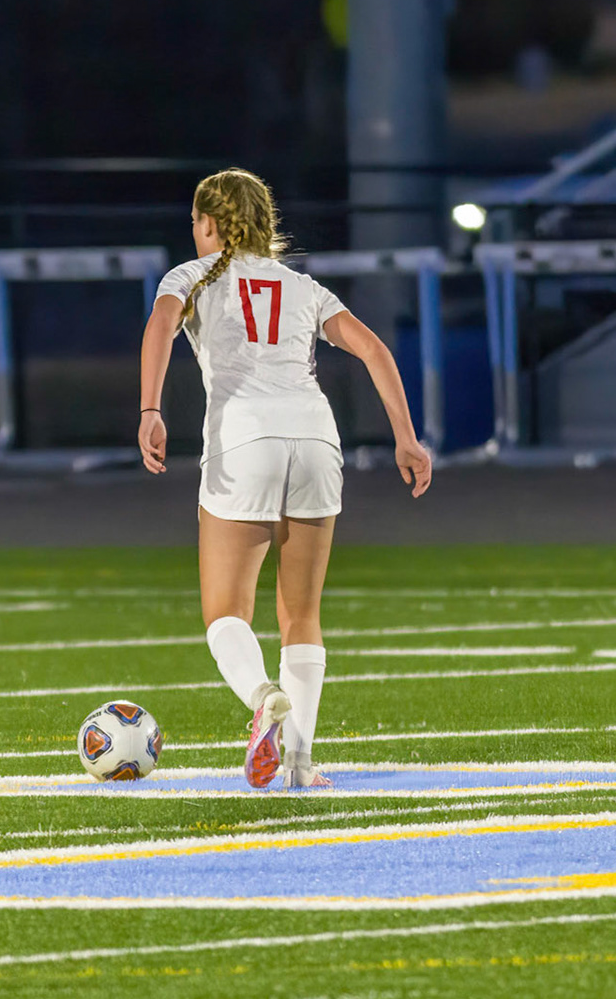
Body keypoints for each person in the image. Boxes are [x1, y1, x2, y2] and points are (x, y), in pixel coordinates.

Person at [137, 168, 432, 789]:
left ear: (209, 224)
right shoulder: (303, 287)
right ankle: (299, 762)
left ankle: (262, 695)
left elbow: (160, 325)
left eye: (195, 222)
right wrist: (406, 438)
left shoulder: (190, 277)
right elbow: (374, 350)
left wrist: (150, 409)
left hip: (245, 439)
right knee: (301, 614)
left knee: (226, 612)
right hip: (317, 438)